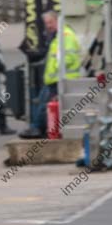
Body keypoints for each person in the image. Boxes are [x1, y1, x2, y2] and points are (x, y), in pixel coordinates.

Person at [20, 11, 81, 139]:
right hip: (53, 79)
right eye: (46, 23)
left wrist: (57, 69)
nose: (48, 26)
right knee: (43, 104)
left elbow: (68, 58)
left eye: (50, 22)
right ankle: (39, 128)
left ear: (57, 20)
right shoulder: (57, 36)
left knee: (44, 106)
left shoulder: (65, 35)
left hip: (60, 79)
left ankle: (37, 129)